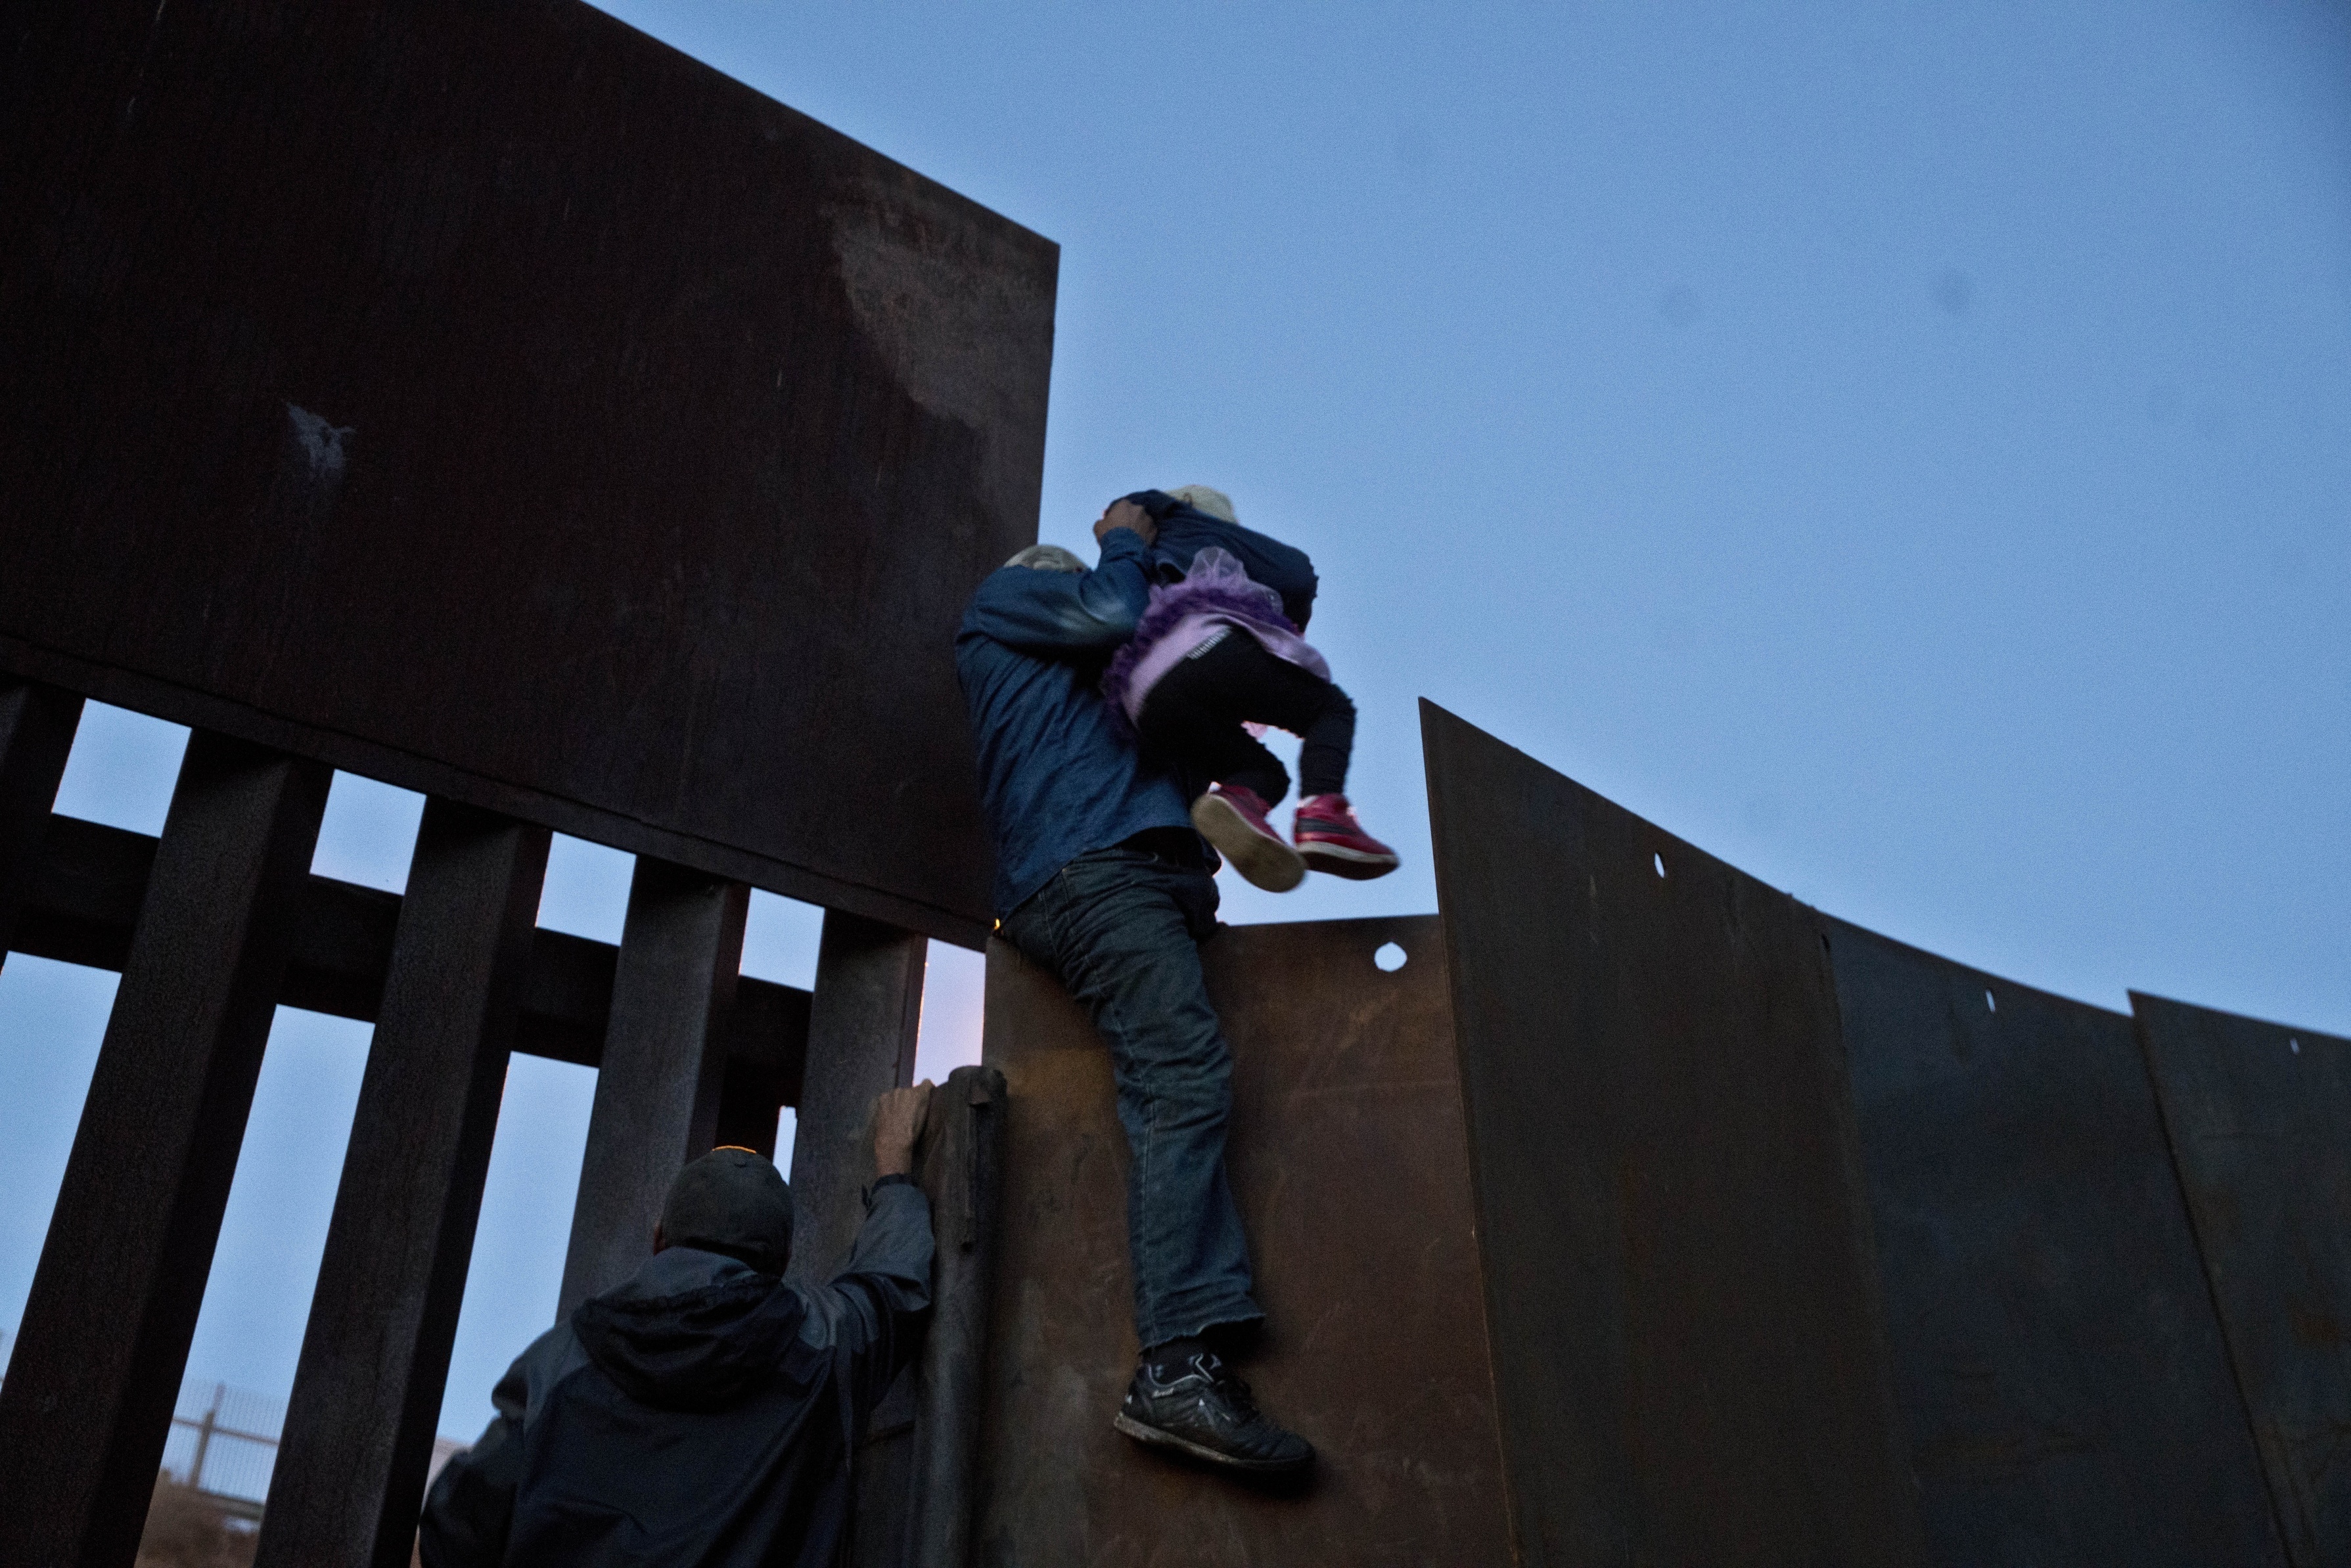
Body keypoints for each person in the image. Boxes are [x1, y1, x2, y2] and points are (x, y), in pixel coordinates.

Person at [955, 500, 1314, 1475]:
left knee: (1180, 1073)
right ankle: (1173, 1366)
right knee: (1180, 1079)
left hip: (1135, 869)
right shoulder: (1003, 601)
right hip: (1092, 871)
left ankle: (1227, 798)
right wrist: (1125, 539)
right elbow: (1111, 612)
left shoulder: (1083, 694)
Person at [417, 1085, 936, 1568]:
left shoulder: (558, 1360)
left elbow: (457, 1525)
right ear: (783, 1258)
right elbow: (892, 1287)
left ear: (659, 1237)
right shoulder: (821, 1341)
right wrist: (894, 1169)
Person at [1099, 484, 1398, 892]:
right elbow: (1296, 575)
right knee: (1329, 709)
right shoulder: (1193, 529)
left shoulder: (1135, 563)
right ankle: (1323, 815)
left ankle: (1239, 801)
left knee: (1265, 773)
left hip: (1145, 703)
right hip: (1203, 648)